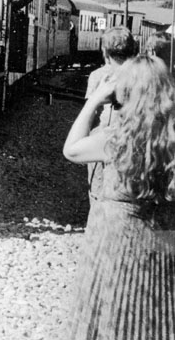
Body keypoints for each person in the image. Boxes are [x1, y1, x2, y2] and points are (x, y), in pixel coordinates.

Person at [62, 56, 175, 339]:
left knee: (111, 307)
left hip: (114, 238)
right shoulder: (171, 138)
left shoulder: (117, 137)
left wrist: (95, 100)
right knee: (154, 309)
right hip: (162, 237)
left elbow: (72, 150)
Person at [84, 26, 138, 202]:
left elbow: (90, 114)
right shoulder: (141, 75)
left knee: (98, 190)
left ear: (104, 51)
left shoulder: (98, 76)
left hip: (103, 142)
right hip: (134, 139)